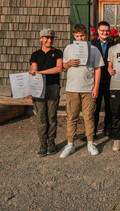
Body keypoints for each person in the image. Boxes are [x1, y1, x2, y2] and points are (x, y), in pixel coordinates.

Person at [60, 24, 104, 158]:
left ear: (87, 35)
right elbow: (63, 65)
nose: (80, 38)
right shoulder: (69, 48)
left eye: (82, 35)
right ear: (74, 35)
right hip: (72, 88)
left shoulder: (94, 49)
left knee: (88, 116)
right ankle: (70, 144)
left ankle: (90, 142)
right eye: (78, 36)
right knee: (72, 117)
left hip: (88, 88)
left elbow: (97, 69)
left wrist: (96, 87)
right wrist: (69, 64)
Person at [29, 29, 63, 157]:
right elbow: (34, 70)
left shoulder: (58, 52)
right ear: (41, 39)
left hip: (53, 86)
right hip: (38, 87)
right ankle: (43, 142)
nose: (49, 40)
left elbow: (58, 68)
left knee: (52, 116)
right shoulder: (35, 54)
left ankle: (51, 141)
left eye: (51, 38)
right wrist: (32, 73)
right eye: (46, 38)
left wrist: (40, 73)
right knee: (41, 116)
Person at [90, 21, 116, 138]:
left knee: (110, 107)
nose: (105, 32)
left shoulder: (114, 44)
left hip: (111, 79)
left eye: (107, 30)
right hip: (96, 80)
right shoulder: (92, 44)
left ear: (109, 31)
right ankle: (93, 131)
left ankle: (108, 129)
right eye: (102, 30)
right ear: (98, 31)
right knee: (94, 107)